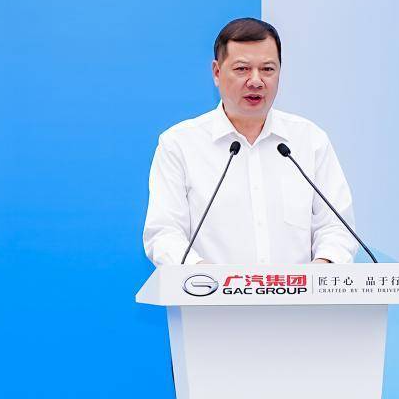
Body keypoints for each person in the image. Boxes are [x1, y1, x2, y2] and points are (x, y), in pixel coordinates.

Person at [142, 17, 358, 265]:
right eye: (242, 69)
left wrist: (319, 270)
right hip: (208, 289)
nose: (256, 81)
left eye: (267, 69)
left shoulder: (309, 140)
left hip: (299, 291)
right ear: (217, 72)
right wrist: (207, 277)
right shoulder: (180, 144)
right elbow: (164, 234)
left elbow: (336, 228)